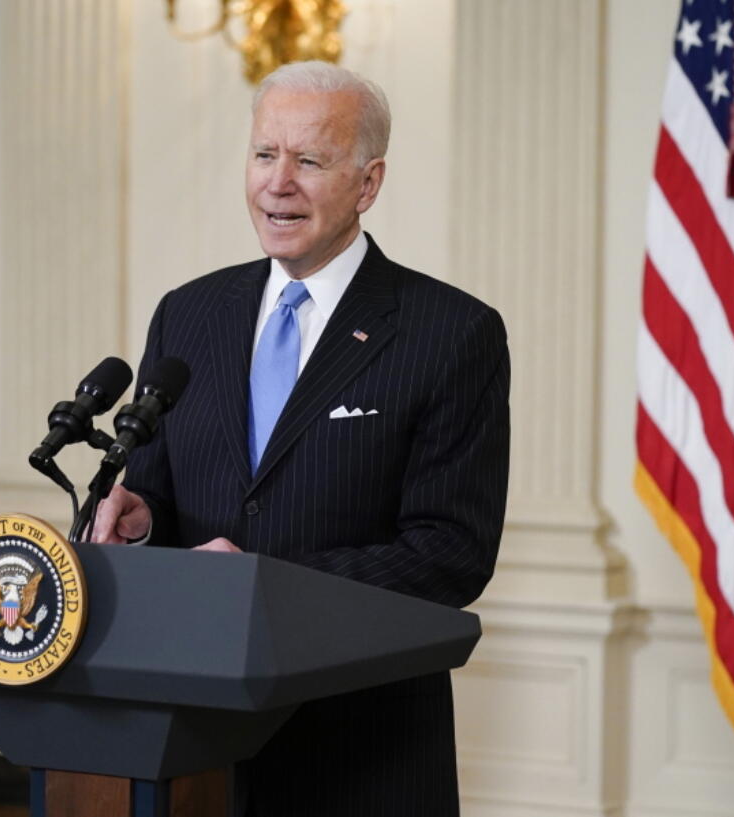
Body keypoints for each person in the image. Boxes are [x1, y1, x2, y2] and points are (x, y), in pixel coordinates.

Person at [93, 61, 510, 816]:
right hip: (196, 745)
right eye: (263, 154)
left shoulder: (451, 333)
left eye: (309, 160)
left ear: (368, 182)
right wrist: (141, 516)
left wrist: (261, 576)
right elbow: (159, 487)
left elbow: (451, 553)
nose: (276, 183)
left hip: (362, 753)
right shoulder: (187, 314)